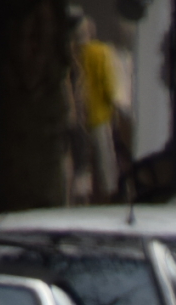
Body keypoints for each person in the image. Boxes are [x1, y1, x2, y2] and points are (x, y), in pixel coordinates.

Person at [75, 16, 120, 202]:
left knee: (81, 159)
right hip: (99, 113)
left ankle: (81, 194)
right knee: (104, 159)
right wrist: (112, 104)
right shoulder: (101, 52)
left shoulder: (73, 54)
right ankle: (109, 193)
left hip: (78, 116)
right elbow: (108, 85)